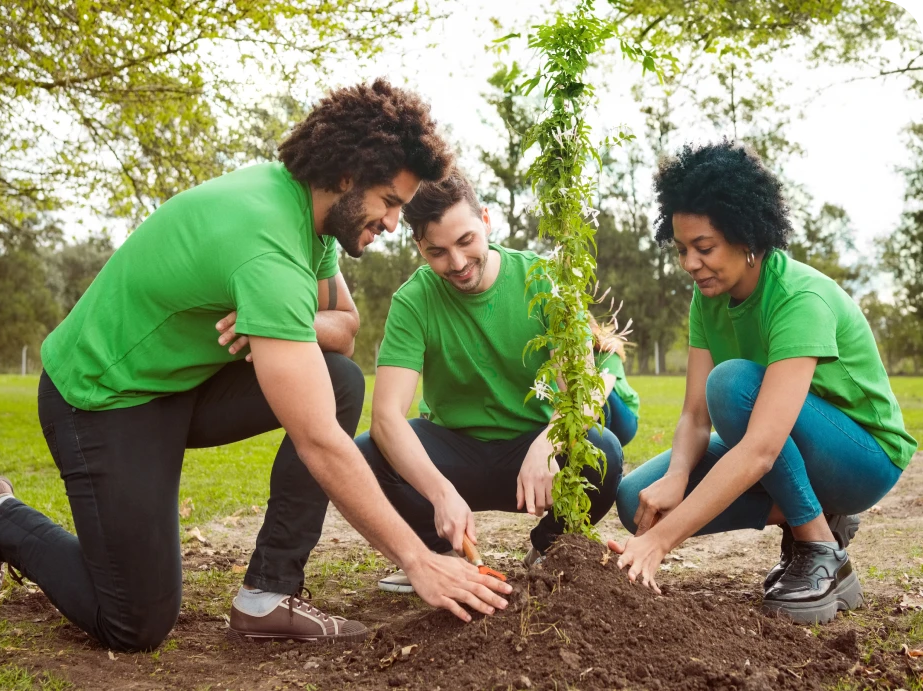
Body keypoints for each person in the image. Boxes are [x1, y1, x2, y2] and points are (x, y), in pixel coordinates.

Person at [0, 80, 511, 651]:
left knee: (339, 379)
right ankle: (1, 518)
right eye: (390, 202)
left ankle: (268, 594)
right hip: (101, 400)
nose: (393, 224)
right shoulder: (266, 244)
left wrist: (282, 323)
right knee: (134, 622)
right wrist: (418, 560)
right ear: (348, 176)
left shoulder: (310, 215)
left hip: (183, 385)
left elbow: (343, 328)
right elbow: (317, 440)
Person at [611, 141, 917, 624]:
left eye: (704, 248)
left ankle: (818, 546)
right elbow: (694, 417)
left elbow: (761, 448)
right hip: (782, 442)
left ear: (748, 236)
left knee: (731, 385)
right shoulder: (706, 298)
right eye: (682, 249)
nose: (691, 263)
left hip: (863, 457)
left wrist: (659, 544)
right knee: (637, 501)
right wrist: (675, 479)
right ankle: (816, 513)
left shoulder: (799, 297)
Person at [354, 169, 624, 593]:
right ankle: (434, 556)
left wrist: (548, 440)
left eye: (465, 241)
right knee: (367, 453)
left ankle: (551, 549)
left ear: (485, 219)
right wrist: (440, 492)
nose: (457, 264)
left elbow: (585, 392)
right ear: (418, 247)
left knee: (601, 451)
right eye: (438, 252)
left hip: (532, 452)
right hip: (454, 450)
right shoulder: (413, 300)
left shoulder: (546, 280)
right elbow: (387, 417)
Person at [590, 315, 640, 447]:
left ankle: (603, 447)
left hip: (624, 420)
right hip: (596, 412)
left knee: (596, 390)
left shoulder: (608, 351)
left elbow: (600, 396)